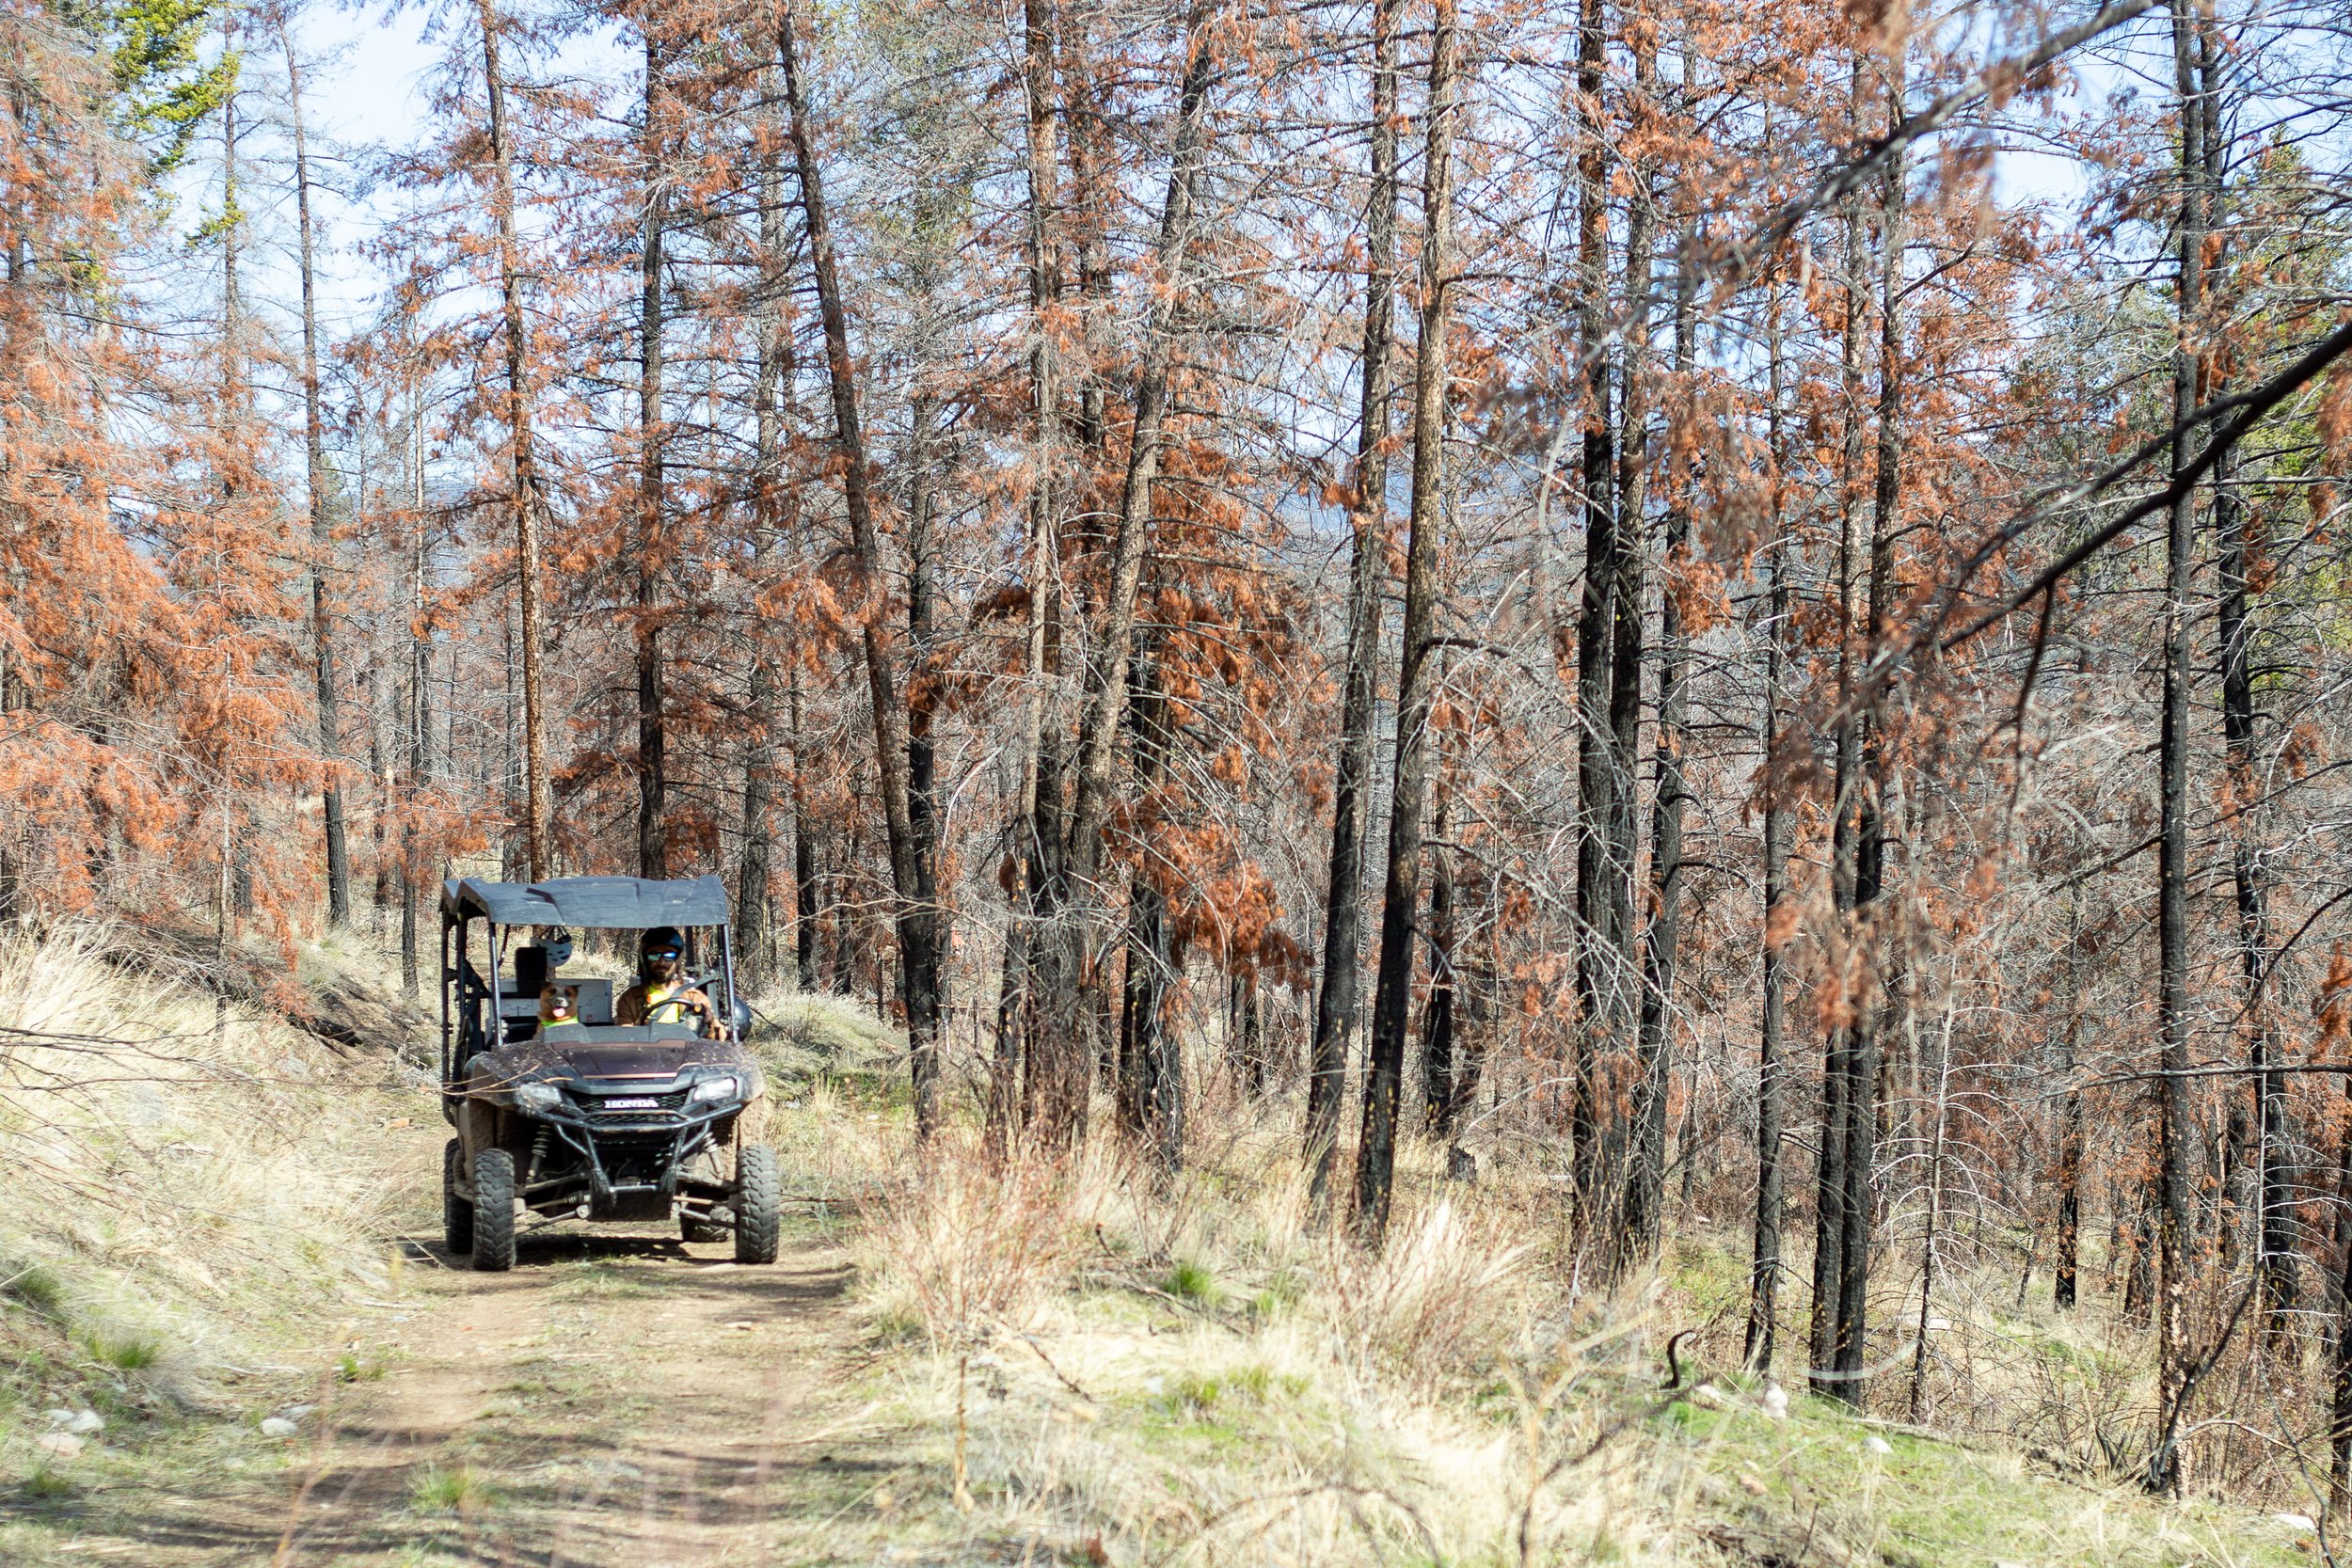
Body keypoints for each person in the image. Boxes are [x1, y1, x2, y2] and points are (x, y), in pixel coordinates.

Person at [615, 927, 713, 1033]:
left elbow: (715, 1038)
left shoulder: (695, 998)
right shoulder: (630, 999)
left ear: (677, 959)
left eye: (669, 955)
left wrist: (709, 1024)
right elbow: (626, 1037)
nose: (661, 963)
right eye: (654, 956)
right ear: (645, 960)